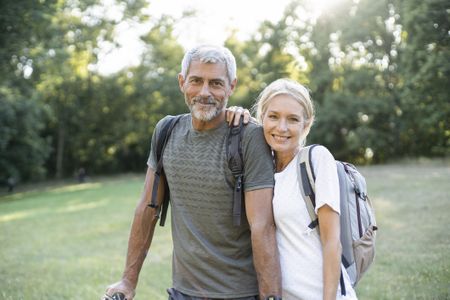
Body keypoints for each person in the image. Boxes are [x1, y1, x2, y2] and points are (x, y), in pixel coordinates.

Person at [104, 45, 282, 300]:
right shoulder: (166, 131)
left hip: (240, 294)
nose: (205, 92)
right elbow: (147, 208)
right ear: (181, 82)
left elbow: (263, 226)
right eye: (196, 81)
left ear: (231, 86)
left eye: (216, 83)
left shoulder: (249, 137)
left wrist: (271, 297)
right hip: (182, 292)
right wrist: (127, 281)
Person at [254, 78, 358, 300]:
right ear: (261, 118)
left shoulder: (316, 159)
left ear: (306, 124)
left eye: (292, 119)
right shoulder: (260, 170)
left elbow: (332, 242)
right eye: (273, 116)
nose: (281, 128)